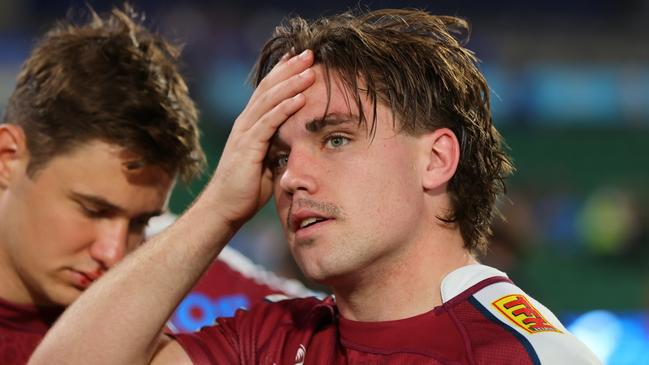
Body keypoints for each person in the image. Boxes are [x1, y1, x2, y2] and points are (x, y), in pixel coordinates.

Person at [29, 8, 601, 365]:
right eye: (278, 158)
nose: (292, 179)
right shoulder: (271, 338)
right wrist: (216, 212)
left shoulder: (523, 354)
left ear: (436, 159)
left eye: (336, 140)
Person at [0, 6, 314, 364]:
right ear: (8, 158)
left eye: (140, 223)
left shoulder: (191, 273)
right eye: (93, 210)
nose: (114, 253)